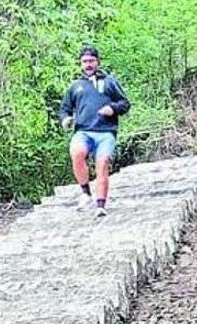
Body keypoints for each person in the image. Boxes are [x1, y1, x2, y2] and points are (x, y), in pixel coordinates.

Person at [59, 44, 131, 217]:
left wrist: (113, 108)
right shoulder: (75, 86)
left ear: (98, 62)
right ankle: (85, 193)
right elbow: (64, 109)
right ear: (80, 64)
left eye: (91, 61)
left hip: (106, 131)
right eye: (85, 61)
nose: (88, 64)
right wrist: (66, 119)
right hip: (83, 131)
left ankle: (101, 204)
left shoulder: (109, 82)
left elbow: (125, 104)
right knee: (77, 153)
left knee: (102, 162)